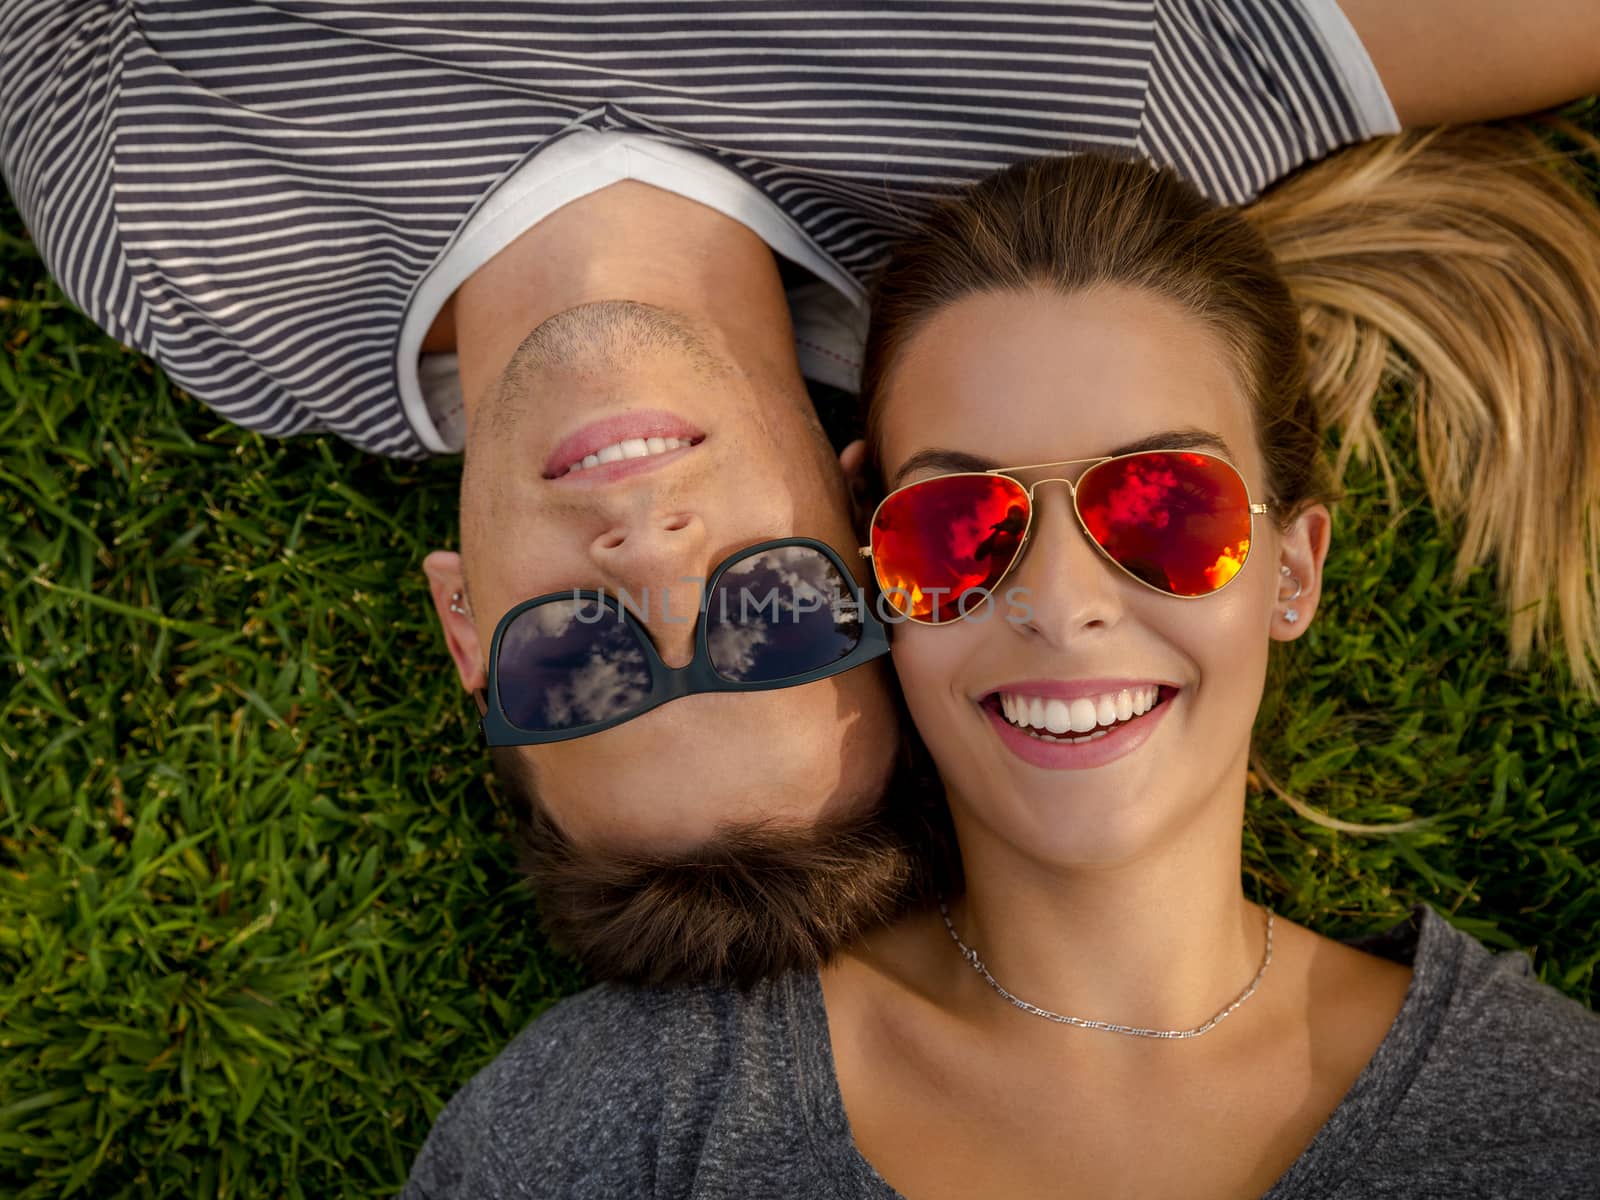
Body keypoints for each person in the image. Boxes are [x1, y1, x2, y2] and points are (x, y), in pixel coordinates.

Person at [4, 0, 1598, 984]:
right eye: (773, 619)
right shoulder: (1084, 124)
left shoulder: (185, 250)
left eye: (585, 663)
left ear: (467, 623)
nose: (654, 561)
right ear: (867, 526)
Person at [398, 148, 1600, 1199]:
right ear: (871, 571)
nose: (1065, 607)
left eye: (1166, 508)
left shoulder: (1550, 1117)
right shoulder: (621, 1122)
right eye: (962, 525)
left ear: (1292, 570)